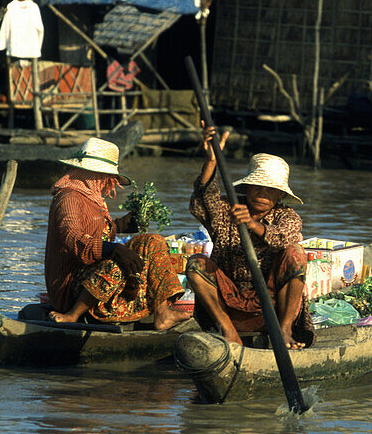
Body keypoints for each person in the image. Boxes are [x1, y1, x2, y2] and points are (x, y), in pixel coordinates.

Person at [185, 125, 314, 349]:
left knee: (296, 253)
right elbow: (201, 203)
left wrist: (252, 224)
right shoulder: (228, 208)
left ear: (281, 194)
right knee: (196, 263)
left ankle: (284, 331)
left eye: (270, 189)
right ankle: (228, 331)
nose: (262, 193)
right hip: (228, 304)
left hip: (270, 308)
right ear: (248, 187)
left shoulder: (288, 217)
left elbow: (282, 238)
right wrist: (212, 161)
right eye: (258, 187)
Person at [44, 136, 189, 330]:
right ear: (90, 173)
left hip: (92, 272)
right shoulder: (68, 197)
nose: (108, 181)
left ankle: (163, 312)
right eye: (104, 175)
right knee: (115, 263)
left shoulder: (93, 198)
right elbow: (72, 238)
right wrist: (113, 248)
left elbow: (98, 230)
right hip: (71, 287)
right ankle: (73, 315)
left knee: (152, 241)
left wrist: (120, 225)